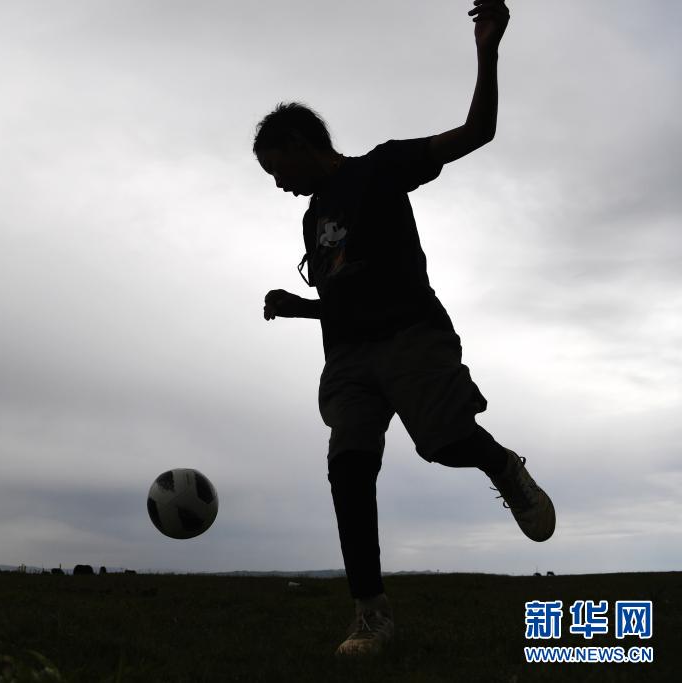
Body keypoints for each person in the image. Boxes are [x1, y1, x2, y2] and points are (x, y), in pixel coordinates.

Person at [253, 0, 554, 657]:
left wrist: (488, 50)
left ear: (301, 145)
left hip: (412, 336)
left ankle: (502, 465)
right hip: (350, 360)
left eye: (278, 170)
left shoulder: (381, 168)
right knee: (348, 467)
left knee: (444, 444)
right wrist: (298, 306)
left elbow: (478, 132)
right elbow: (344, 301)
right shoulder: (312, 219)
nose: (278, 185)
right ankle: (371, 614)